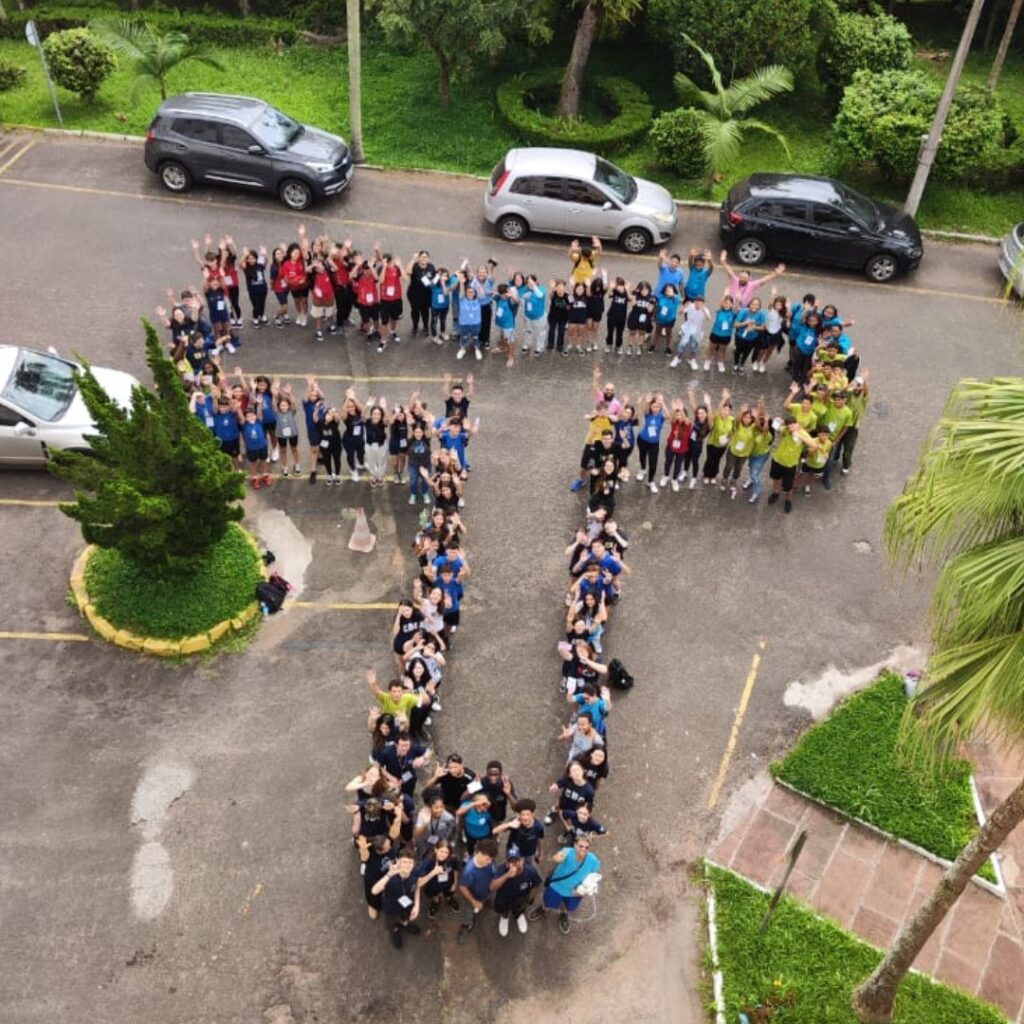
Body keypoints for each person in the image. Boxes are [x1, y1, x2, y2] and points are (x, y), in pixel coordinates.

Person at [528, 836, 601, 935]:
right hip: (557, 887)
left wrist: (585, 889)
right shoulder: (567, 851)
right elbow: (557, 857)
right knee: (549, 902)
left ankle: (563, 913)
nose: (583, 849)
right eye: (581, 846)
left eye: (586, 847)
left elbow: (593, 876)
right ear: (575, 845)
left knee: (568, 906)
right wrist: (557, 858)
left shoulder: (593, 860)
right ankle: (544, 908)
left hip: (574, 892)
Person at [372, 847, 422, 949]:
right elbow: (374, 890)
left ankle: (405, 925)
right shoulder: (391, 879)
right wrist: (390, 874)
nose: (407, 865)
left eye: (410, 862)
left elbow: (417, 887)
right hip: (391, 910)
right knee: (392, 925)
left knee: (406, 919)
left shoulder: (415, 872)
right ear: (398, 862)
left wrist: (417, 905)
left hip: (407, 906)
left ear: (414, 863)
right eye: (404, 862)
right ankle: (395, 933)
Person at [767, 416, 819, 514]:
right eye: (790, 426)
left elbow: (814, 445)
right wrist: (778, 420)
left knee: (788, 486)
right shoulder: (786, 429)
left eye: (793, 425)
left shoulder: (803, 433)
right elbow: (776, 426)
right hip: (777, 459)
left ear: (798, 424)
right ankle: (776, 492)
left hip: (790, 465)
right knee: (776, 478)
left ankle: (788, 501)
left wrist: (799, 436)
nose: (791, 428)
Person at [457, 838, 502, 944]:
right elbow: (462, 887)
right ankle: (466, 926)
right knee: (468, 913)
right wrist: (474, 902)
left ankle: (487, 902)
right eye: (487, 859)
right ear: (479, 853)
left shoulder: (489, 861)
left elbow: (493, 871)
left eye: (491, 859)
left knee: (487, 899)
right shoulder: (469, 871)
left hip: (488, 892)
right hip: (474, 897)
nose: (490, 862)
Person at [492, 848, 541, 937]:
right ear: (507, 863)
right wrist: (507, 875)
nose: (514, 864)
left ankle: (518, 916)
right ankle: (504, 917)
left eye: (516, 861)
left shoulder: (530, 871)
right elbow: (493, 887)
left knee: (520, 908)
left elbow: (536, 884)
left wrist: (531, 898)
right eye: (511, 861)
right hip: (504, 897)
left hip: (521, 897)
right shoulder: (501, 870)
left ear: (521, 861)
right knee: (503, 909)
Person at [416, 838, 461, 917]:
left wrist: (455, 883)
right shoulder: (428, 862)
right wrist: (433, 872)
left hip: (448, 883)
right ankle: (436, 902)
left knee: (449, 894)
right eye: (441, 851)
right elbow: (419, 883)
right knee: (435, 896)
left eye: (446, 852)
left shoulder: (452, 859)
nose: (443, 855)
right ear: (436, 849)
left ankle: (449, 899)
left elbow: (455, 869)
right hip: (432, 886)